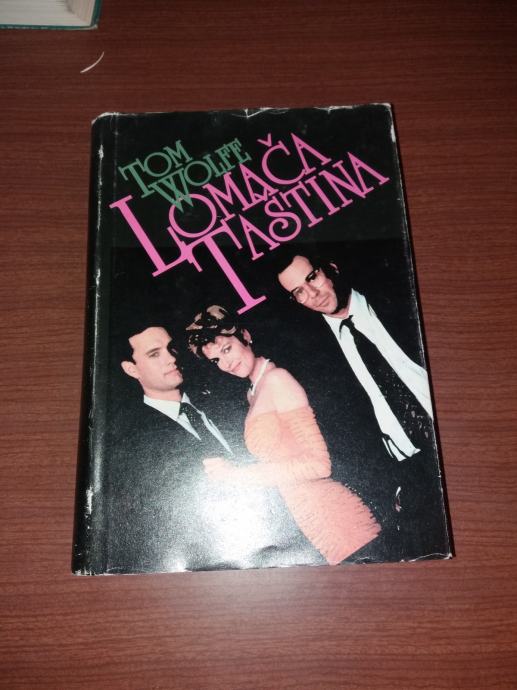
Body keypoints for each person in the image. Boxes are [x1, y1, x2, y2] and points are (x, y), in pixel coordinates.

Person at [274, 247, 450, 559]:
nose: (312, 294)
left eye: (312, 278)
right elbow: (345, 430)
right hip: (410, 469)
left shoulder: (398, 294)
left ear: (331, 268)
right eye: (299, 292)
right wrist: (393, 482)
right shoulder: (314, 358)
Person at [186, 306, 381, 566]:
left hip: (338, 520)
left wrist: (237, 474)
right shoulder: (253, 392)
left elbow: (319, 465)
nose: (226, 363)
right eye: (216, 360)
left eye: (227, 349)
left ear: (245, 336)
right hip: (312, 522)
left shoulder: (277, 379)